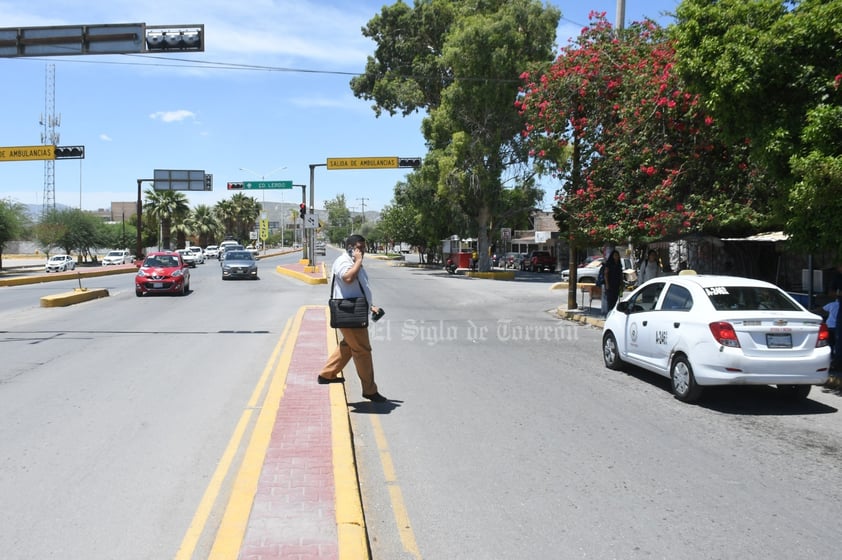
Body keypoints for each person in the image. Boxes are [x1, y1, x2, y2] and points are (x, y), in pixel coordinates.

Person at [318, 234, 387, 402]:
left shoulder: (353, 261)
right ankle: (369, 390)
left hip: (355, 310)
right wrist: (357, 261)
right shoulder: (344, 261)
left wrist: (370, 305)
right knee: (363, 351)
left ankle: (327, 374)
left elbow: (357, 288)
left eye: (363, 247)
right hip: (349, 313)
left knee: (348, 346)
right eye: (359, 248)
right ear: (349, 247)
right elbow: (348, 279)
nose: (362, 251)